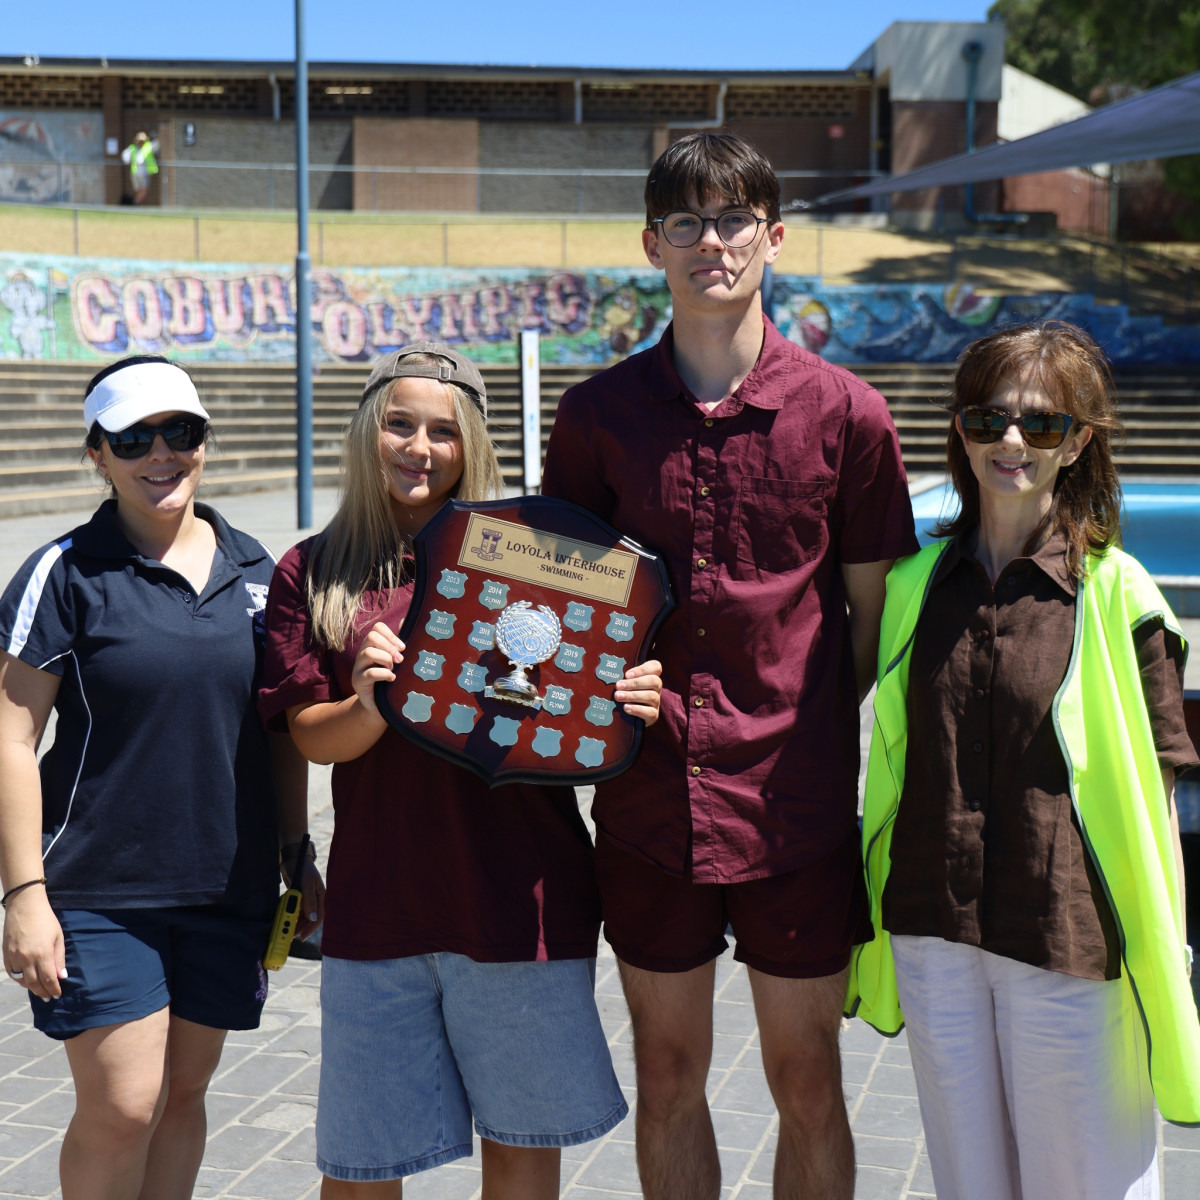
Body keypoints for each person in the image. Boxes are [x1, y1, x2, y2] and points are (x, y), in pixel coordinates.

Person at [540, 132, 918, 1200]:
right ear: (651, 243)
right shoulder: (597, 417)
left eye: (734, 219)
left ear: (775, 237)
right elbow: (571, 608)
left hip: (794, 811)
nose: (712, 242)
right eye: (687, 222)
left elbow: (867, 622)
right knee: (667, 1076)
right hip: (649, 804)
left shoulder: (847, 415)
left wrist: (789, 716)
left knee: (809, 1081)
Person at [258, 341, 662, 1199]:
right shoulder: (314, 569)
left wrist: (621, 700)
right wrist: (370, 703)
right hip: (379, 910)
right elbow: (309, 737)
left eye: (443, 431)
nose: (420, 447)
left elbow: (577, 717)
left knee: (521, 1154)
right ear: (366, 431)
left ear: (472, 443)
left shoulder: (538, 559)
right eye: (399, 424)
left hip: (521, 904)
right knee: (361, 1169)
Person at [852, 321, 1200, 1199]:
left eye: (1042, 423)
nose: (1011, 440)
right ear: (960, 431)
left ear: (1077, 443)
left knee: (1088, 1184)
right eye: (988, 418)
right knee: (969, 1184)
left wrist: (1169, 951)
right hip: (934, 930)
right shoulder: (912, 587)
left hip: (1067, 938)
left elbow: (1157, 797)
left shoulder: (1120, 593)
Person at [0, 355, 323, 1200]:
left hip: (228, 885)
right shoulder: (63, 572)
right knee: (124, 1106)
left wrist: (296, 852)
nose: (160, 454)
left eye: (180, 431)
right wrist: (23, 895)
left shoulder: (259, 571)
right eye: (132, 439)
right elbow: (11, 737)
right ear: (96, 454)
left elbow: (280, 733)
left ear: (204, 440)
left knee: (183, 1097)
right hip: (98, 889)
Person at [121, 132, 159, 205]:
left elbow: (156, 144)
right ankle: (136, 203)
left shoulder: (148, 147)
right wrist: (127, 160)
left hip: (145, 173)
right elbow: (125, 155)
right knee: (138, 189)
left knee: (144, 189)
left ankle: (135, 203)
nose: (141, 143)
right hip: (135, 172)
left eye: (142, 141)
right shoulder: (133, 148)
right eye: (139, 141)